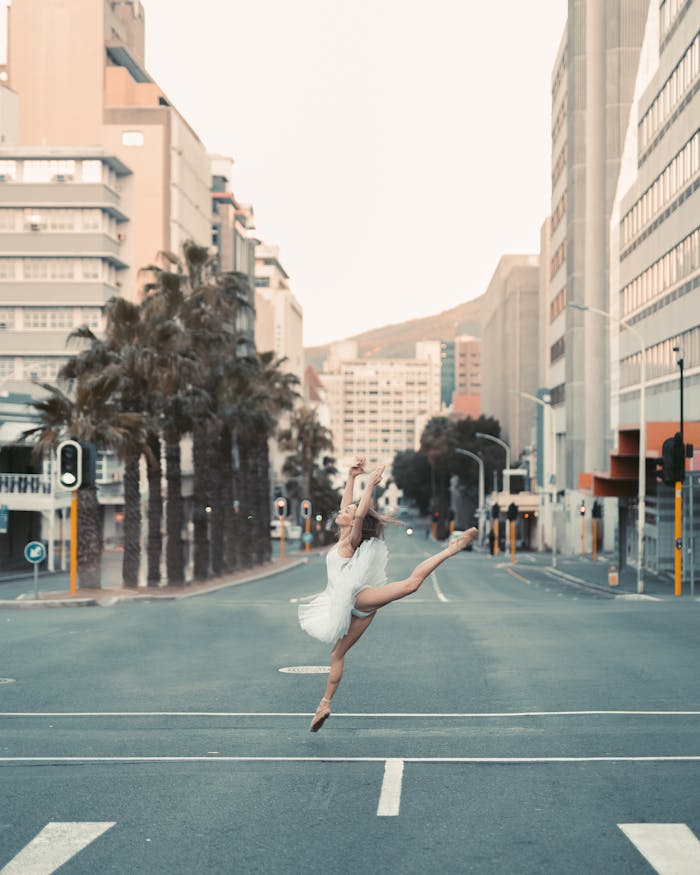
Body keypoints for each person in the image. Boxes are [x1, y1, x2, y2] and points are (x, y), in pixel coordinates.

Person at [298, 457, 477, 732]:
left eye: (347, 510)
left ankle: (451, 549)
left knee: (410, 585)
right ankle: (324, 704)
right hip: (345, 607)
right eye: (345, 509)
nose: (344, 510)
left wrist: (369, 485)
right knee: (336, 655)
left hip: (358, 598)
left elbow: (357, 514)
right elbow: (350, 508)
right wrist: (352, 477)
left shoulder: (351, 539)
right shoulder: (341, 538)